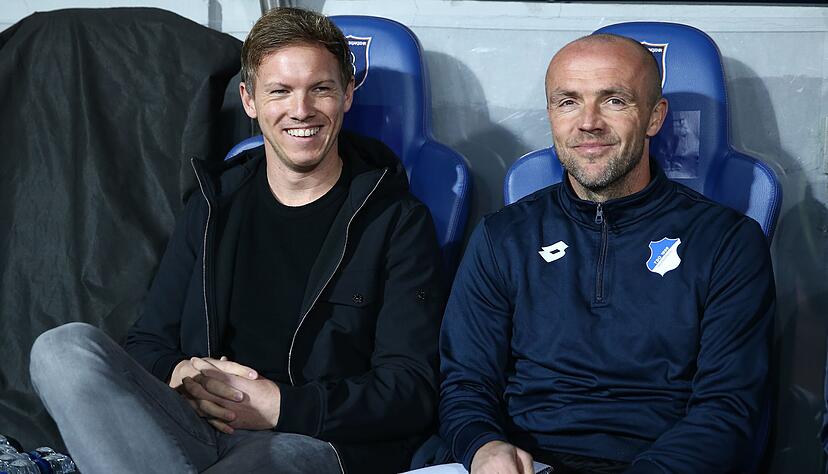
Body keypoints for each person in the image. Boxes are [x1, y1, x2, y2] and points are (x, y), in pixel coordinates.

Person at [30, 7, 445, 474]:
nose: (301, 109)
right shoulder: (213, 206)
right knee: (60, 350)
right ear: (249, 100)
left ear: (347, 95)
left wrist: (281, 407)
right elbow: (147, 342)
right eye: (280, 91)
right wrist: (180, 375)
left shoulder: (397, 221)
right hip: (194, 422)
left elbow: (412, 389)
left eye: (321, 89)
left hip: (308, 439)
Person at [438, 34, 774, 474]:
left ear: (655, 117)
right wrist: (484, 446)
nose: (588, 122)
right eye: (568, 102)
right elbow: (464, 382)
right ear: (551, 116)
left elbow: (729, 407)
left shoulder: (727, 242)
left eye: (614, 101)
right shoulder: (503, 236)